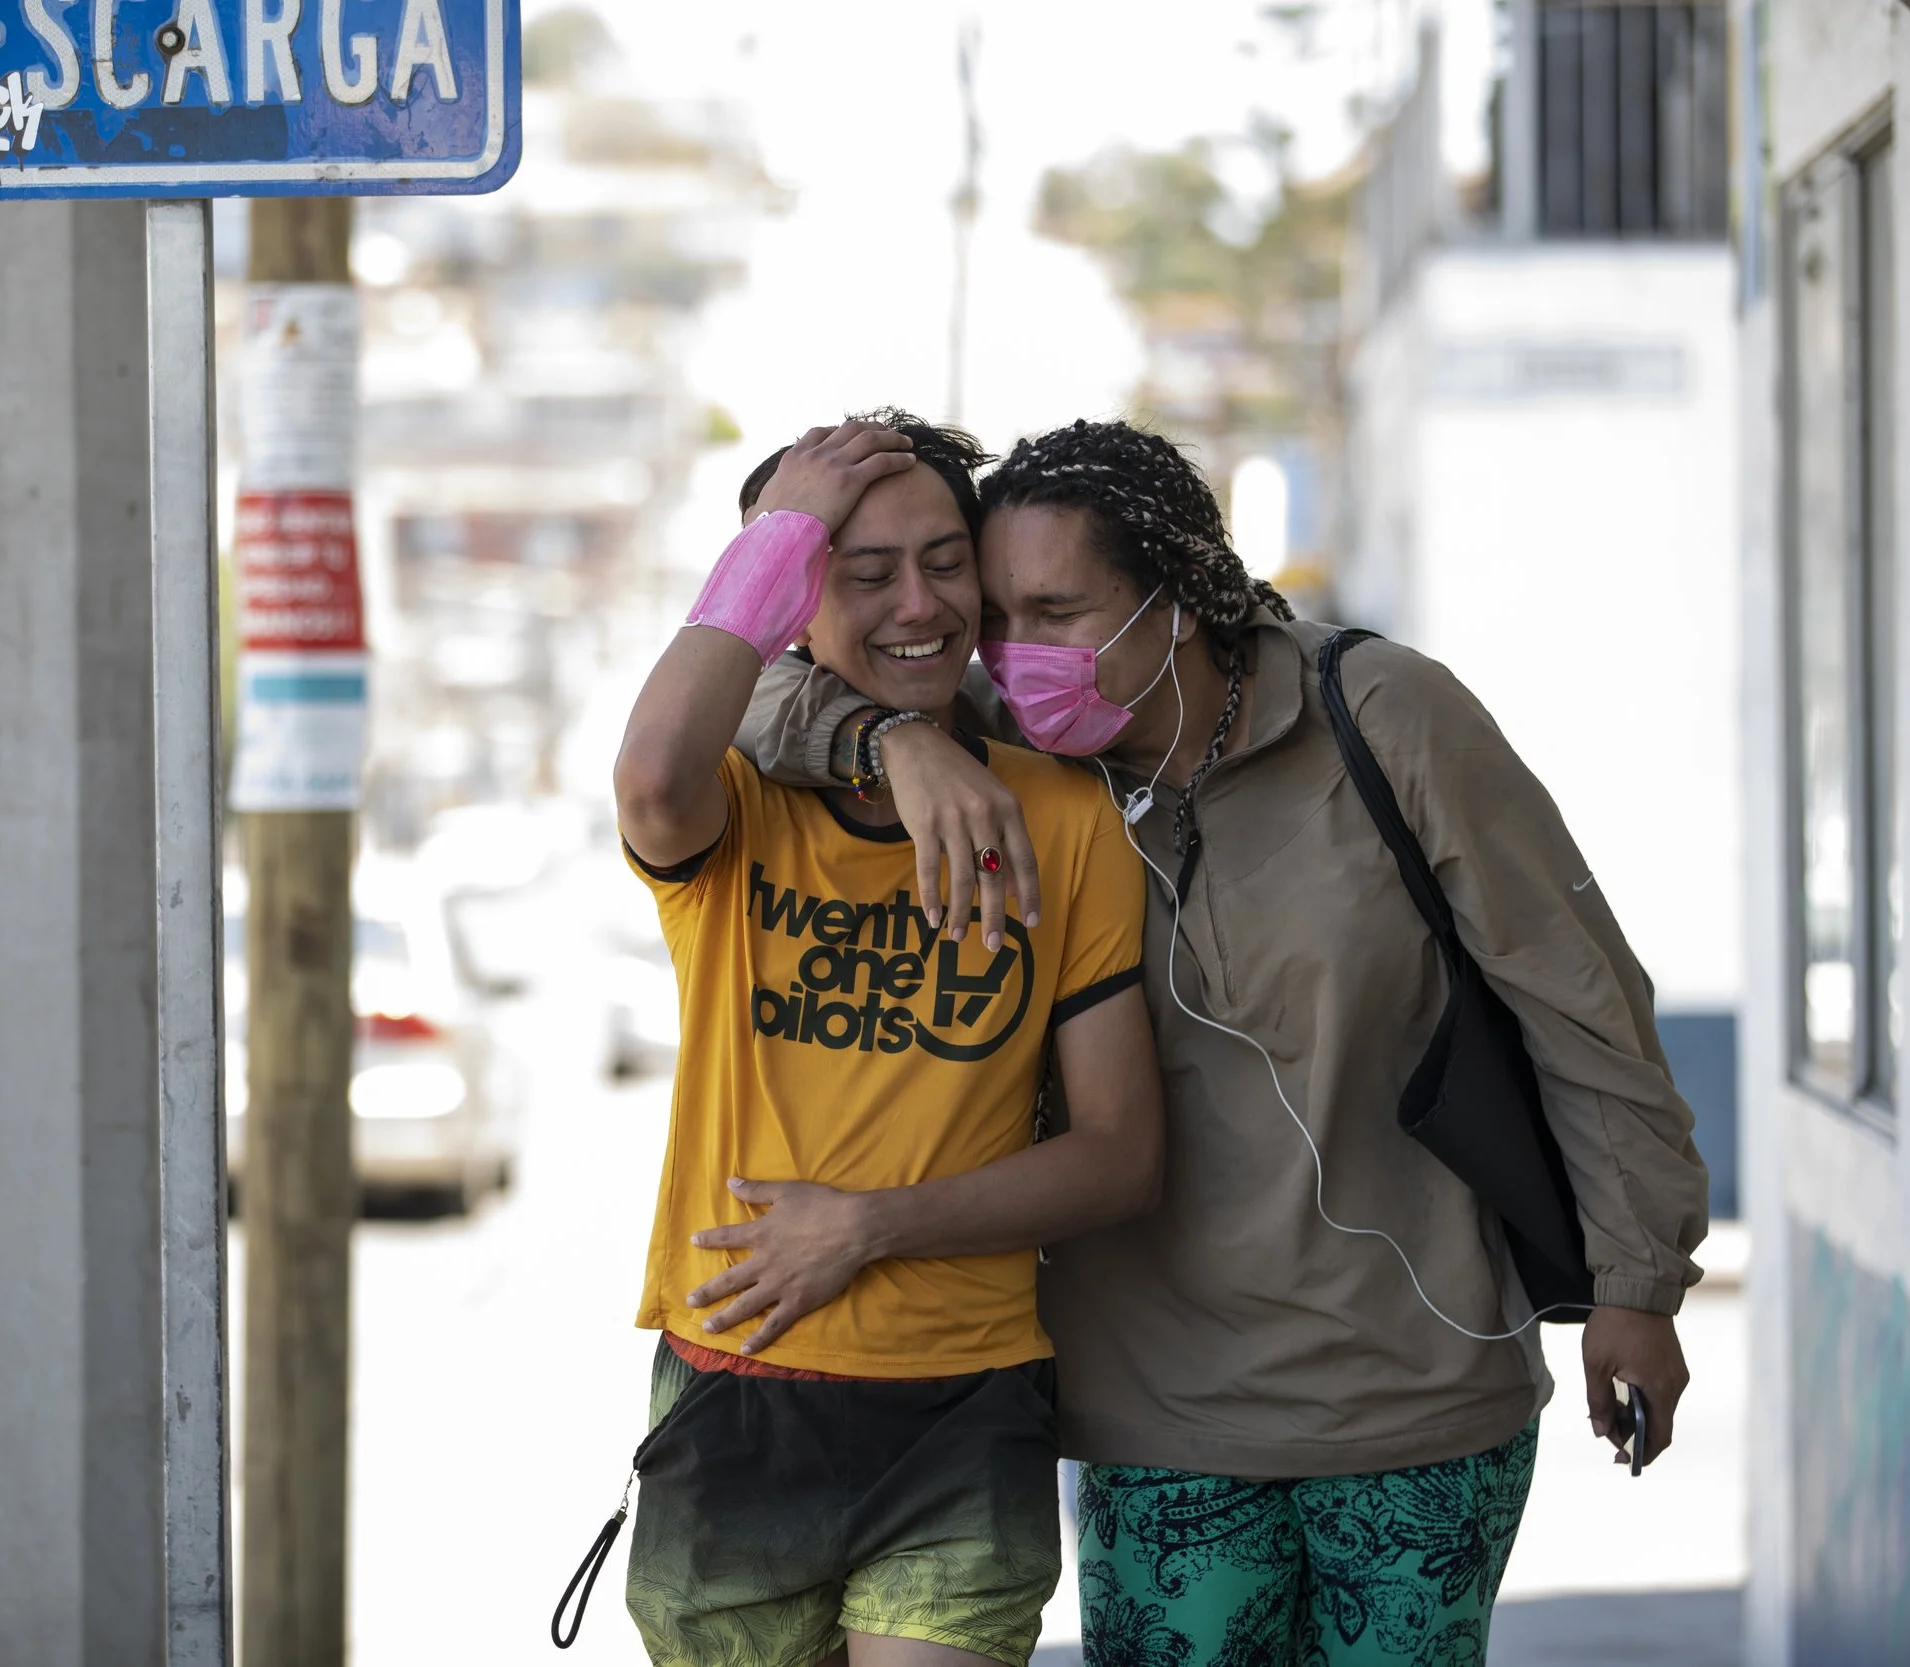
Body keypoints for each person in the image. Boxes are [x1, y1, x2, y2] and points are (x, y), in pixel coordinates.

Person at [730, 418, 1712, 1667]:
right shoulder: (1004, 745)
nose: (1016, 654)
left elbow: (1580, 998)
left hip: (1421, 1394)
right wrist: (893, 736)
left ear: (1180, 602)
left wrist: (1636, 1284)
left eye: (1060, 610)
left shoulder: (1380, 711)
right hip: (1156, 1411)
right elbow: (749, 691)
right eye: (1000, 619)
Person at [612, 413, 1166, 1667]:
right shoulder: (733, 805)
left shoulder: (1063, 817)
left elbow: (1122, 1153)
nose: (918, 602)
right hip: (736, 1386)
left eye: (944, 560)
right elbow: (649, 774)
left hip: (964, 1400)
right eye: (862, 574)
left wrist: (868, 1223)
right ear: (791, 604)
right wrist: (782, 537)